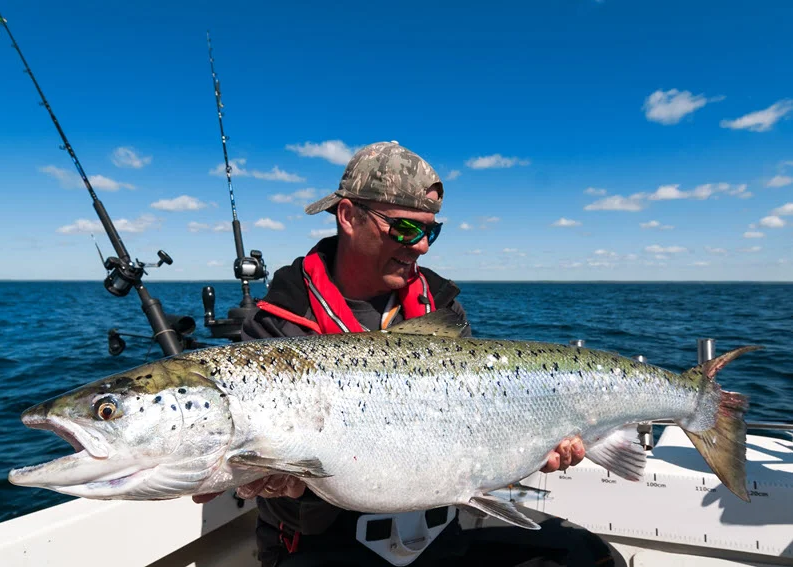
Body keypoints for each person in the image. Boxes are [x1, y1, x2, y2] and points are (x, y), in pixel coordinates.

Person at [196, 142, 610, 567]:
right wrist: (267, 478)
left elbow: (471, 421)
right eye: (406, 229)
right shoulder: (276, 327)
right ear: (349, 217)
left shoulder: (443, 308)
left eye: (431, 231)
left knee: (591, 557)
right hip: (319, 545)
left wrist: (530, 446)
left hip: (436, 534)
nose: (422, 246)